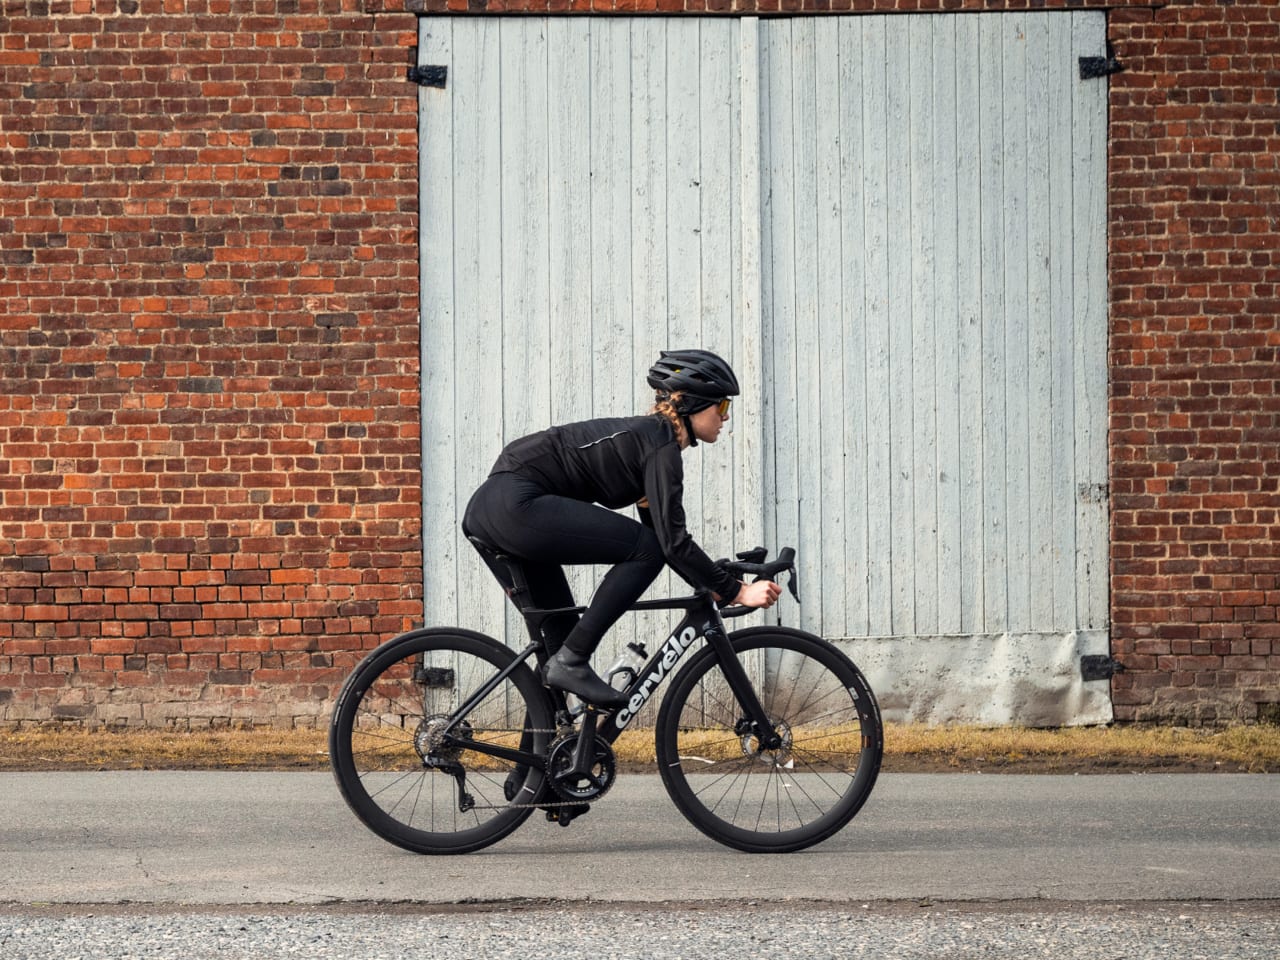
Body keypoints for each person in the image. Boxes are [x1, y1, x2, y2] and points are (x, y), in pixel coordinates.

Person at [462, 348, 781, 710]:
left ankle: (538, 760)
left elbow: (666, 538)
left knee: (560, 639)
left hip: (495, 508)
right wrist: (736, 590)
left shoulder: (648, 443)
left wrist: (712, 581)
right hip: (513, 506)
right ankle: (572, 661)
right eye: (721, 407)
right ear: (692, 405)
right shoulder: (660, 447)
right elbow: (667, 545)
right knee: (640, 556)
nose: (726, 418)